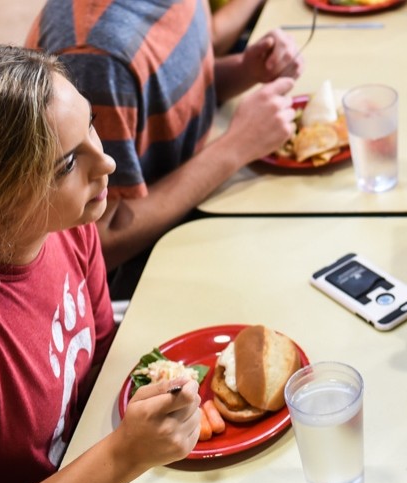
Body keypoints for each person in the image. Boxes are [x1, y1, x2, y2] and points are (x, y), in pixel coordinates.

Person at [0, 42, 202, 483]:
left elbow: (98, 360)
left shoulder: (68, 222)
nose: (107, 162)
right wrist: (125, 454)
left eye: (90, 126)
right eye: (68, 163)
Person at [26, 0, 302, 287]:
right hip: (140, 263)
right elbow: (97, 243)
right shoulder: (95, 57)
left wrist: (245, 70)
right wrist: (236, 146)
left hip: (200, 193)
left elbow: (162, 95)